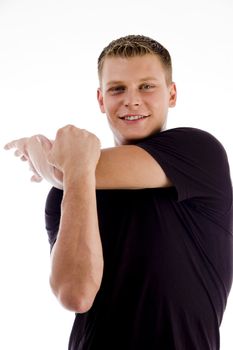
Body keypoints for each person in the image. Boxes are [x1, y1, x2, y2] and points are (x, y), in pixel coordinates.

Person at [4, 35, 233, 350]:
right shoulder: (64, 194)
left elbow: (67, 169)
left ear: (172, 93)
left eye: (147, 86)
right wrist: (65, 172)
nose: (132, 100)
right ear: (101, 100)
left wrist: (37, 149)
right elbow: (76, 294)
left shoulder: (198, 152)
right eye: (117, 89)